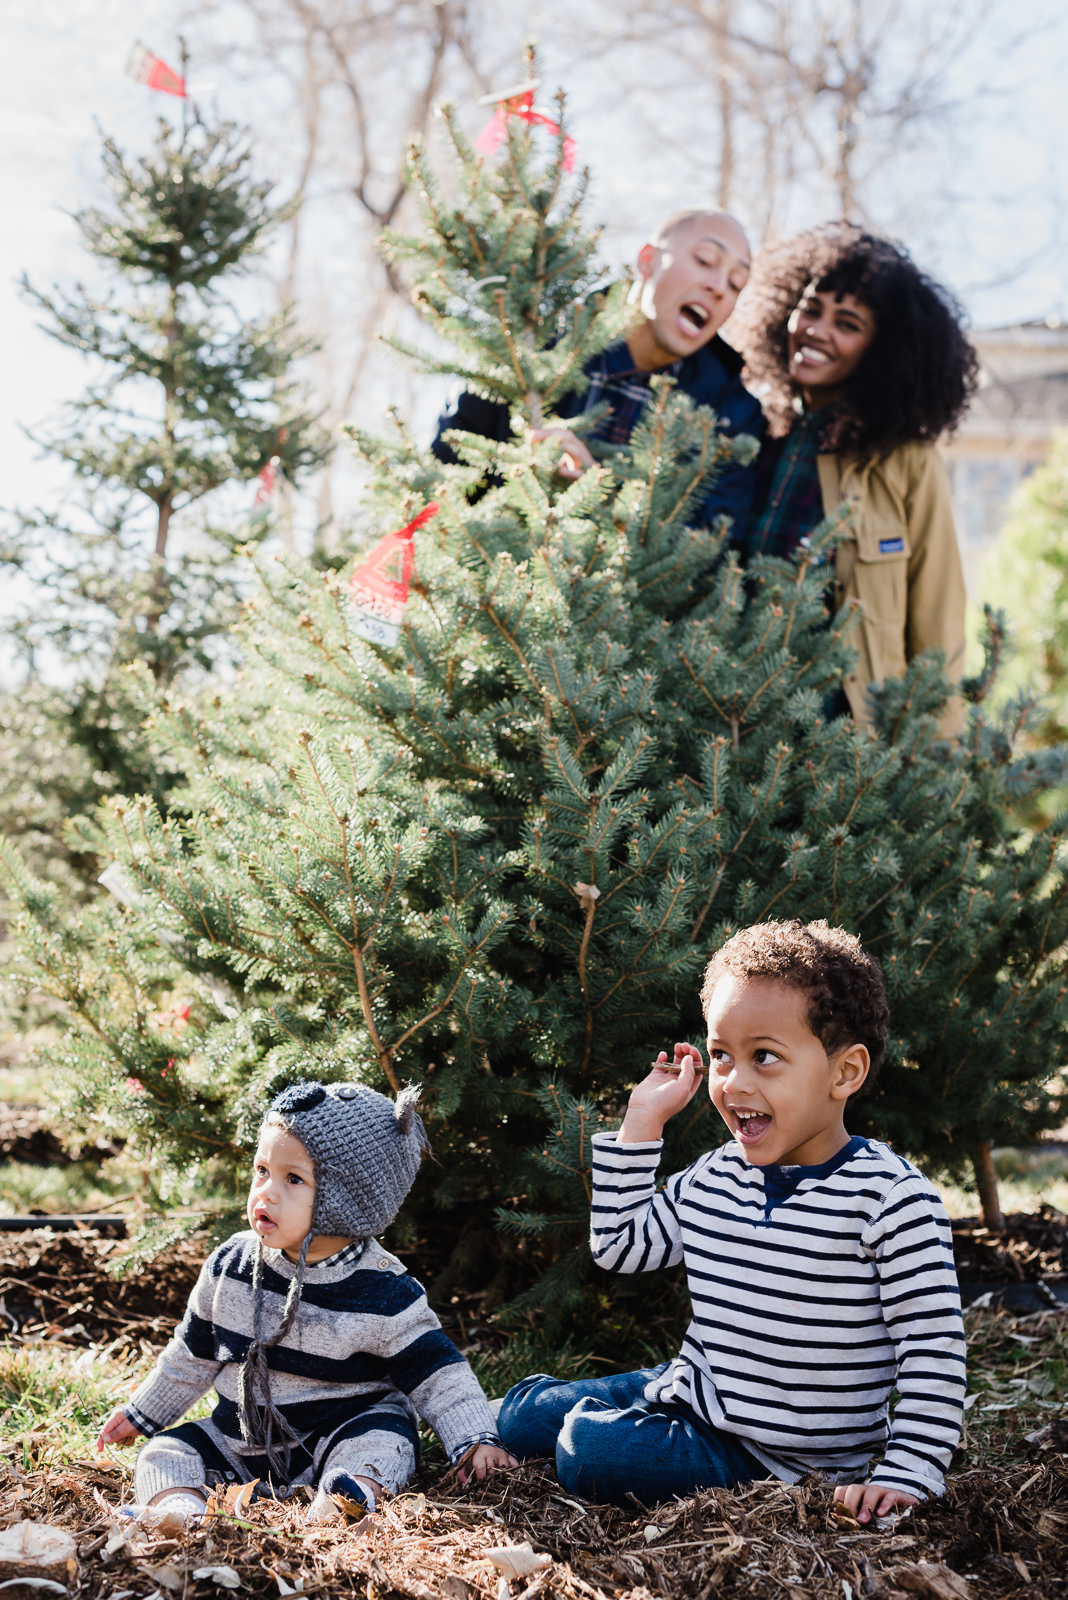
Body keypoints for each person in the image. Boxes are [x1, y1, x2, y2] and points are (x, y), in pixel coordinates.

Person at [497, 919, 965, 1520]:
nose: (733, 1082)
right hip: (693, 1391)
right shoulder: (716, 1174)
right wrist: (643, 1121)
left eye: (764, 1057)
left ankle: (604, 1423)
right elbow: (619, 1246)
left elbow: (933, 1351)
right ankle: (546, 1410)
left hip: (783, 1458)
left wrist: (911, 1470)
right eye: (720, 1056)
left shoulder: (890, 1199)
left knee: (586, 1453)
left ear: (845, 1072)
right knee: (518, 1420)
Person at [96, 1080, 515, 1522]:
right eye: (262, 1170)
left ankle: (344, 1501)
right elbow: (192, 1355)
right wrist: (142, 1413)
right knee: (165, 1453)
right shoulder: (231, 1266)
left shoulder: (384, 1289)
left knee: (386, 1443)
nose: (266, 1192)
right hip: (244, 1440)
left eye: (293, 1179)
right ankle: (180, 1511)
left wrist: (475, 1438)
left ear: (348, 1199)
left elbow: (438, 1376)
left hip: (342, 1432)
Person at [736, 224, 978, 733]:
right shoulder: (753, 428)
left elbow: (936, 616)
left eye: (847, 323)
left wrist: (937, 756)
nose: (817, 331)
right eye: (811, 309)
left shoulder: (907, 460)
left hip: (842, 736)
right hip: (731, 714)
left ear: (882, 349)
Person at [432, 208, 765, 532]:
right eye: (705, 261)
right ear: (647, 260)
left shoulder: (731, 417)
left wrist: (603, 499)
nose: (720, 287)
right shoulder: (535, 341)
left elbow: (710, 544)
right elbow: (445, 466)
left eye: (737, 283)